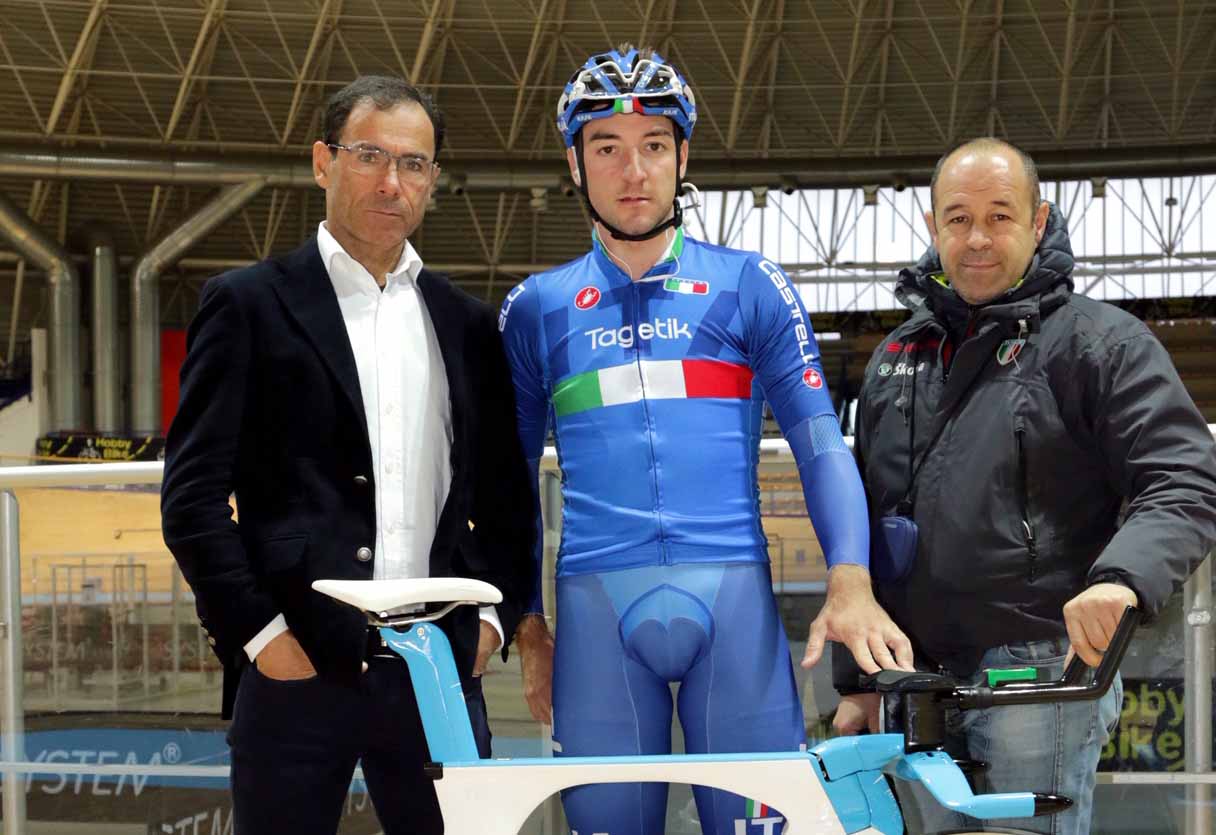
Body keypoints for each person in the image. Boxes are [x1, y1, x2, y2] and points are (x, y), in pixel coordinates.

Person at [497, 45, 911, 835]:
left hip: (734, 607)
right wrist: (529, 624)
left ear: (683, 157)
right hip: (595, 615)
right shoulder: (536, 308)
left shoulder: (751, 284)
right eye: (607, 148)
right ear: (575, 164)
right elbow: (511, 482)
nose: (634, 170)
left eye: (654, 145)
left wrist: (850, 578)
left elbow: (822, 443)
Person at [160, 76, 535, 835]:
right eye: (370, 156)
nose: (392, 182)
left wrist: (492, 624)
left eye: (414, 163)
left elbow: (507, 496)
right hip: (296, 665)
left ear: (432, 180)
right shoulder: (248, 304)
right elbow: (191, 498)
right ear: (323, 161)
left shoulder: (466, 323)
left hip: (439, 669)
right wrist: (262, 637)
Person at [832, 137, 1216, 834]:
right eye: (958, 219)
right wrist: (857, 679)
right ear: (933, 227)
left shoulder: (1099, 343)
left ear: (1038, 223)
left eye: (1000, 216)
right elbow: (860, 521)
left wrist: (1122, 579)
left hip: (1038, 674)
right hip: (911, 679)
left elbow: (1185, 477)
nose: (978, 238)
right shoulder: (895, 358)